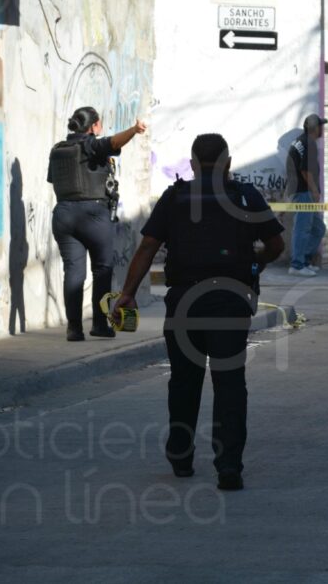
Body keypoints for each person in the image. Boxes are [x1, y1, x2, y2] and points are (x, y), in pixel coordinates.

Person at [111, 134, 285, 491]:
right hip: (230, 304)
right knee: (230, 384)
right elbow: (276, 244)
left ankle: (181, 457)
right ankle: (229, 467)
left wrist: (127, 293)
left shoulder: (176, 197)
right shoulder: (245, 196)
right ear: (229, 163)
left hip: (185, 303)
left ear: (192, 165)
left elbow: (147, 246)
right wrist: (257, 262)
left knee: (184, 381)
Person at [47, 107, 147, 341]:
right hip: (92, 214)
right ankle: (100, 325)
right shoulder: (90, 145)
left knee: (73, 272)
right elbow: (112, 143)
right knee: (102, 269)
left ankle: (74, 328)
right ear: (93, 127)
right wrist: (134, 130)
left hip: (63, 214)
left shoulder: (58, 150)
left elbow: (54, 180)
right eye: (99, 123)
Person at [286, 113, 328, 277]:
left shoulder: (300, 141)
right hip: (303, 192)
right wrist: (315, 190)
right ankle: (297, 265)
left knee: (318, 228)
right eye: (321, 126)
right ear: (315, 128)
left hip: (299, 190)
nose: (322, 129)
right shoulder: (308, 143)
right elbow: (305, 170)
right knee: (302, 229)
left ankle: (303, 261)